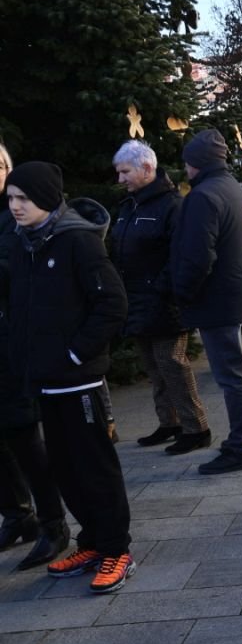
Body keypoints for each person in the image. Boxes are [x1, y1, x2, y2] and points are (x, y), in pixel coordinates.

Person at [5, 162, 133, 593]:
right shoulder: (26, 244)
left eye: (23, 198)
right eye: (11, 199)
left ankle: (117, 548)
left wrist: (76, 354)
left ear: (44, 197)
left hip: (78, 381)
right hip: (44, 381)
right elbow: (22, 312)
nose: (15, 207)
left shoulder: (77, 240)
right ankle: (93, 541)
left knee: (95, 466)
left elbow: (112, 305)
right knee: (64, 469)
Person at [171, 130, 242, 474]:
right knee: (241, 369)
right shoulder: (232, 189)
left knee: (232, 374)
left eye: (187, 162)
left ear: (197, 163)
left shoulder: (203, 197)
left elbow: (198, 256)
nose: (185, 169)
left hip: (218, 299)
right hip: (237, 294)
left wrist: (183, 291)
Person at [111, 141, 210, 455]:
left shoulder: (172, 205)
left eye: (125, 172)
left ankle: (197, 427)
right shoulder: (130, 206)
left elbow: (179, 254)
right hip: (136, 300)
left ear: (146, 169)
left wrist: (162, 287)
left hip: (164, 301)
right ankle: (169, 422)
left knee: (173, 364)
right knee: (153, 366)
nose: (120, 179)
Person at [0, 146, 66, 571]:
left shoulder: (18, 218)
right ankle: (16, 514)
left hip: (11, 346)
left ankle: (53, 523)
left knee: (24, 434)